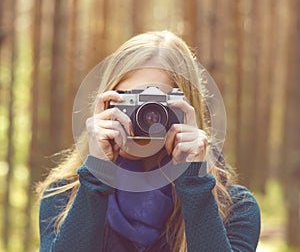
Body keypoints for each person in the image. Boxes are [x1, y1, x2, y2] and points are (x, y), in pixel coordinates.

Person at [37, 31, 261, 252]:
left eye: (156, 103)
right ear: (105, 104)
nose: (143, 116)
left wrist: (193, 181)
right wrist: (96, 174)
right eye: (130, 100)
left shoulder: (234, 208)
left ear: (186, 110)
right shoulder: (64, 198)